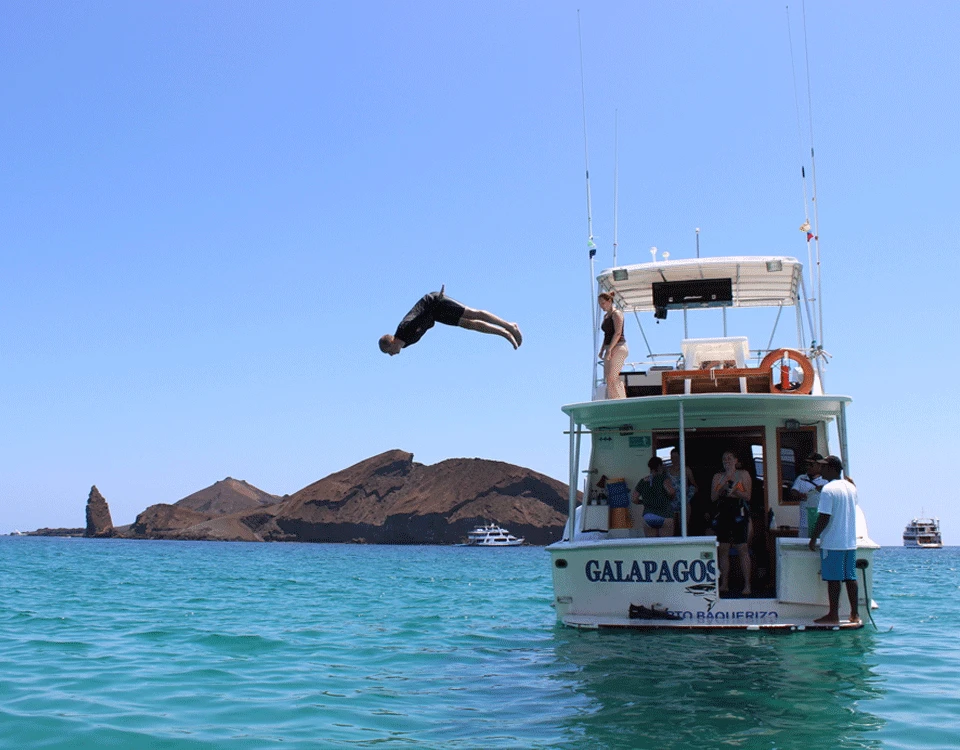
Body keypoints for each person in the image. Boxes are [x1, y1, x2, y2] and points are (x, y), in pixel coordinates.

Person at [379, 286, 522, 355]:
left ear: (392, 342)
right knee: (468, 325)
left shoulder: (405, 329)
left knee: (473, 314)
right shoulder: (405, 344)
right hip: (435, 315)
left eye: (389, 351)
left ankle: (509, 326)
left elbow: (420, 313)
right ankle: (504, 334)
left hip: (435, 302)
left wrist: (439, 297)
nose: (391, 355)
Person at [808, 455, 861, 625]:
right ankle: (854, 614)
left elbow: (824, 517)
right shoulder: (851, 488)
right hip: (849, 542)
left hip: (833, 542)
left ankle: (833, 614)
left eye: (823, 467)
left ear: (832, 469)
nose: (820, 469)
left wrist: (814, 537)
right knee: (850, 578)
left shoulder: (828, 489)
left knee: (833, 580)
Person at [710, 451, 753, 596]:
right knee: (723, 549)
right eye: (724, 458)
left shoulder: (743, 474)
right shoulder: (718, 477)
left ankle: (747, 585)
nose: (727, 460)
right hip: (723, 513)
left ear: (736, 460)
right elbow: (713, 497)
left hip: (739, 513)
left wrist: (735, 491)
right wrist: (722, 489)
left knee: (742, 549)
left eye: (729, 458)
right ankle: (724, 584)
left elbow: (747, 496)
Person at [633, 456, 676, 537]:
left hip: (648, 516)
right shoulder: (664, 478)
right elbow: (671, 492)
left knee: (651, 547)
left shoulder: (643, 481)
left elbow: (634, 499)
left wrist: (644, 502)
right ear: (660, 466)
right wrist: (671, 498)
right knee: (665, 545)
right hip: (665, 515)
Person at [598, 292, 628, 399]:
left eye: (603, 303)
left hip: (619, 346)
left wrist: (610, 349)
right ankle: (613, 399)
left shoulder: (617, 314)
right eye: (600, 304)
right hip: (609, 348)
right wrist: (602, 350)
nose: (601, 306)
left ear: (609, 301)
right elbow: (607, 335)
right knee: (608, 378)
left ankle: (621, 399)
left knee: (613, 376)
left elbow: (618, 332)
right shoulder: (606, 316)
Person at [791, 452, 828, 537]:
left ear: (819, 465)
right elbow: (793, 492)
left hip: (820, 524)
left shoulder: (826, 480)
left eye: (811, 464)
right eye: (807, 464)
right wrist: (801, 495)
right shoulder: (801, 478)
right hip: (804, 524)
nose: (808, 467)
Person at [668, 447, 697, 529]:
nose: (675, 459)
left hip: (684, 502)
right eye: (672, 457)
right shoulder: (667, 470)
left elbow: (694, 485)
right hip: (671, 502)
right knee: (671, 528)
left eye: (676, 457)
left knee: (684, 529)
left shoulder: (686, 470)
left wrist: (689, 495)